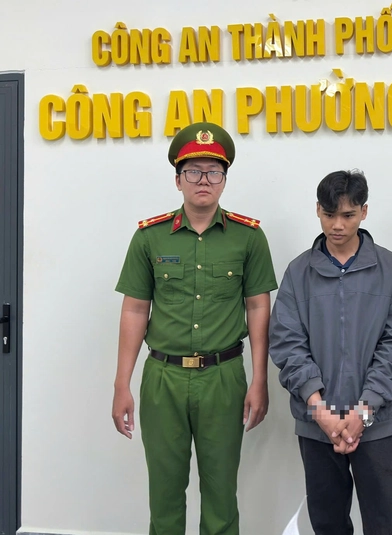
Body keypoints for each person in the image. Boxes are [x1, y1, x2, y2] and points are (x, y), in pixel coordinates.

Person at [111, 122, 277, 535]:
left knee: (221, 495)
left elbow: (258, 307)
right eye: (193, 171)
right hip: (162, 379)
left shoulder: (248, 238)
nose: (204, 180)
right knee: (165, 495)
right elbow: (135, 310)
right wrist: (121, 384)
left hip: (223, 378)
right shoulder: (149, 238)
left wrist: (260, 380)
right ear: (177, 179)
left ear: (225, 180)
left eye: (214, 172)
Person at [269, 170, 392, 535]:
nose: (337, 225)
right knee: (327, 523)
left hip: (378, 424)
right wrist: (319, 410)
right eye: (329, 214)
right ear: (317, 210)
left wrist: (364, 410)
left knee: (387, 524)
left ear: (364, 212)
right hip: (317, 424)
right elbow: (288, 343)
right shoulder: (298, 273)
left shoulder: (391, 270)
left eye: (348, 215)